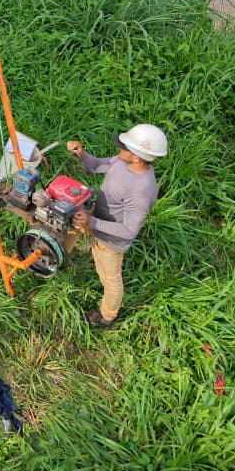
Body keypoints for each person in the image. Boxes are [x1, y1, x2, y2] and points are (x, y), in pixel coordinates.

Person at [66, 124, 167, 328]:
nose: (119, 149)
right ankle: (61, 256)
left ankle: (106, 316)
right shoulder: (122, 162)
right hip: (96, 221)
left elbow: (129, 231)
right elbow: (96, 166)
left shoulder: (141, 191)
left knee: (110, 279)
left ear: (137, 156)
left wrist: (91, 221)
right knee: (71, 228)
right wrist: (82, 154)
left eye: (124, 147)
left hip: (112, 241)